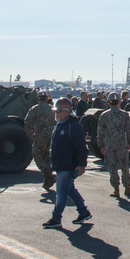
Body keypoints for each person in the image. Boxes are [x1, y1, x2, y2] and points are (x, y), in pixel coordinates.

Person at [43, 97, 91, 229]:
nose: (56, 114)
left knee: (61, 193)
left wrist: (81, 165)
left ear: (66, 111)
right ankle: (83, 212)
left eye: (58, 111)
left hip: (68, 166)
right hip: (61, 165)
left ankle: (56, 218)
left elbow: (81, 147)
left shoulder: (73, 127)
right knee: (70, 190)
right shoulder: (60, 125)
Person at [97, 92, 130, 198]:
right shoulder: (124, 114)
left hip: (109, 145)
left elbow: (100, 132)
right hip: (122, 144)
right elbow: (128, 130)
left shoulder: (104, 115)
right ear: (119, 102)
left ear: (108, 102)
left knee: (112, 167)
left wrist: (101, 145)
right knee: (125, 167)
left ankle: (116, 190)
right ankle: (127, 188)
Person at [25, 91, 57, 191]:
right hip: (52, 137)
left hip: (40, 137)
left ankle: (48, 175)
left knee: (37, 155)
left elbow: (27, 123)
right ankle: (47, 179)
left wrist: (31, 135)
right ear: (47, 98)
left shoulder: (35, 109)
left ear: (38, 99)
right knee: (47, 158)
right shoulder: (53, 109)